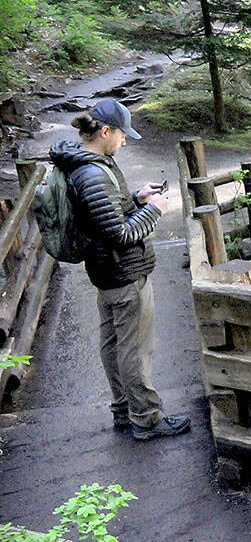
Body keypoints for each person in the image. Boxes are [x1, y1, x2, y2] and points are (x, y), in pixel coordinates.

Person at [49, 99, 191, 441]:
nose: (125, 141)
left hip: (106, 272)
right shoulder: (93, 172)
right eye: (122, 134)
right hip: (123, 274)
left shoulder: (86, 163)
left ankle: (124, 410)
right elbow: (120, 234)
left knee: (113, 343)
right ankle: (146, 417)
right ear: (105, 131)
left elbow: (104, 215)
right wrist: (155, 210)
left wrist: (137, 199)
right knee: (135, 349)